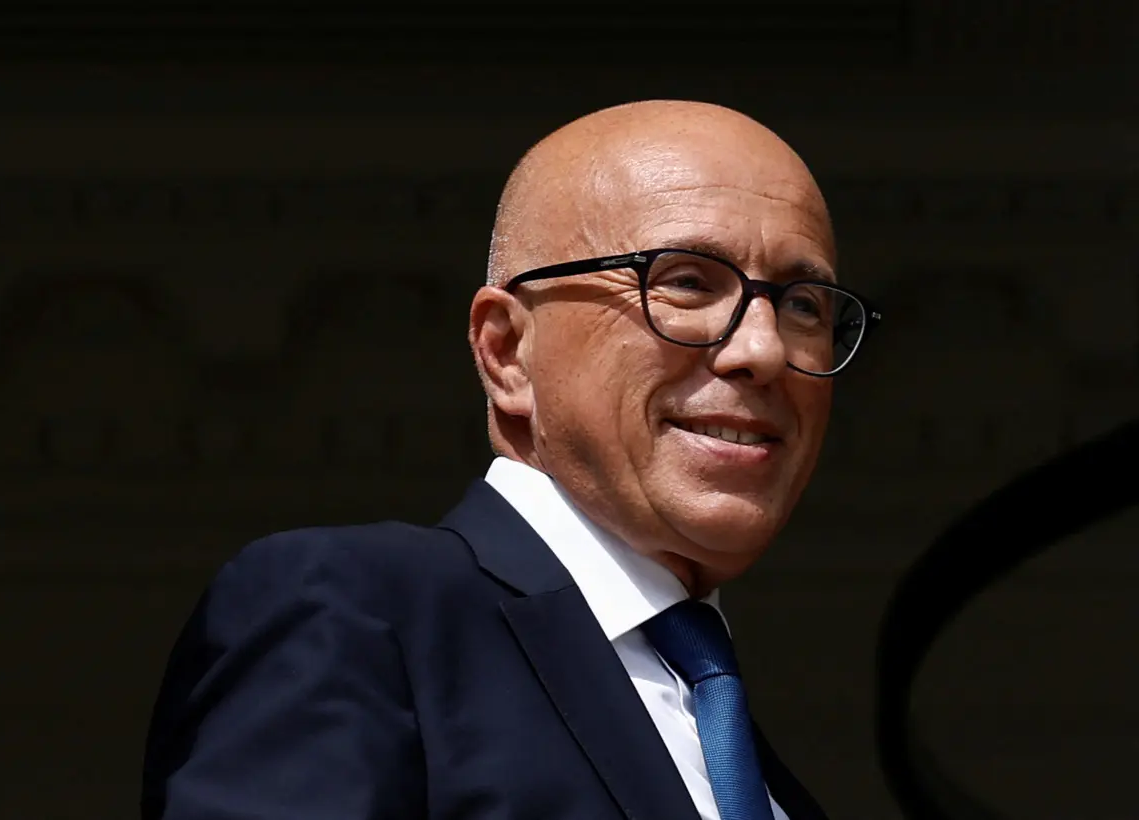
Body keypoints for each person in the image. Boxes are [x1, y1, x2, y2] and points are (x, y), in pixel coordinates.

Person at [140, 99, 881, 820]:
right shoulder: (354, 614)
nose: (763, 349)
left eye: (804, 304)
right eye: (686, 281)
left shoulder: (751, 763)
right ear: (507, 353)